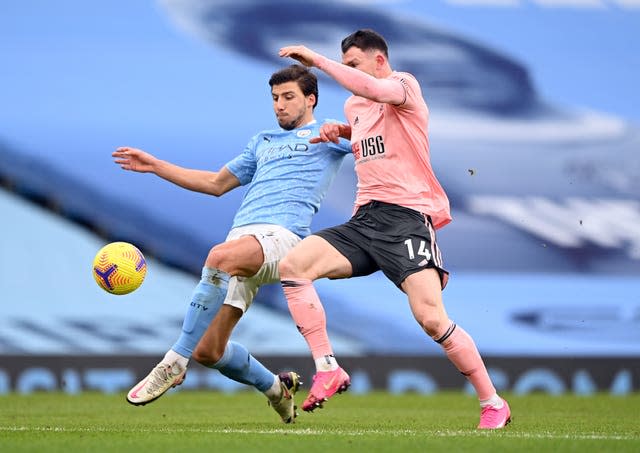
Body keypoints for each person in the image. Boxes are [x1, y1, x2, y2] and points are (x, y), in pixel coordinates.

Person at [278, 29, 511, 429]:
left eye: (354, 64)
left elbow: (373, 90)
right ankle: (328, 367)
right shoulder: (354, 106)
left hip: (406, 219)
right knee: (293, 267)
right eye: (345, 65)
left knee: (433, 320)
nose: (350, 74)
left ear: (379, 61)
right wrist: (345, 132)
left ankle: (492, 403)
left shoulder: (403, 84)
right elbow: (379, 135)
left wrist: (316, 60)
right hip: (365, 219)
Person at [112, 64, 351, 424]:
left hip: (284, 240)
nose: (279, 106)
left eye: (288, 97)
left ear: (311, 99)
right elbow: (215, 183)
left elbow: (379, 138)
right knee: (209, 350)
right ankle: (276, 388)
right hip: (244, 242)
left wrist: (349, 130)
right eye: (274, 98)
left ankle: (174, 362)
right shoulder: (263, 141)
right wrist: (156, 165)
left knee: (219, 257)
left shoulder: (329, 134)